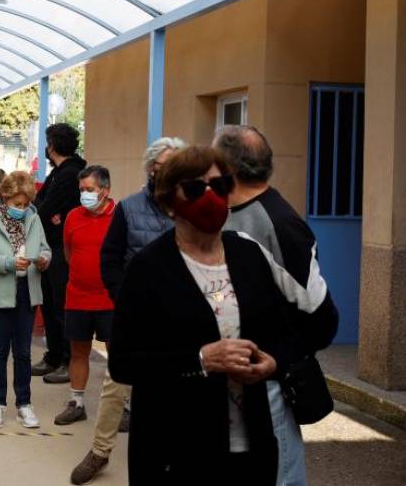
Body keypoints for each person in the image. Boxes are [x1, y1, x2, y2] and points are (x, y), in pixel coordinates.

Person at [109, 146, 333, 484]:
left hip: (251, 447)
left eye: (220, 186)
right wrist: (201, 359)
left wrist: (274, 362)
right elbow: (124, 362)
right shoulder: (148, 269)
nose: (211, 197)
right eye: (197, 189)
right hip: (177, 450)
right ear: (170, 202)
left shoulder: (249, 255)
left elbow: (289, 332)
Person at [214, 125, 340, 486]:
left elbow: (323, 317)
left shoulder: (277, 224)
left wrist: (276, 360)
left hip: (268, 390)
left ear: (227, 168)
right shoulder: (226, 214)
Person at [70, 137, 185, 485]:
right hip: (135, 313)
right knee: (115, 383)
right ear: (153, 169)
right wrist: (126, 299)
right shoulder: (129, 208)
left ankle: (178, 456)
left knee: (180, 387)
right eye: (169, 165)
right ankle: (100, 452)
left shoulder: (191, 205)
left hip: (181, 317)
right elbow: (110, 258)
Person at [0, 171, 51, 429]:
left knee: (24, 352)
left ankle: (24, 404)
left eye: (26, 203)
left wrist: (44, 259)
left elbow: (46, 248)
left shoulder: (34, 218)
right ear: (5, 197)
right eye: (17, 204)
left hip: (27, 290)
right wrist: (7, 263)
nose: (23, 208)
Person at [54, 165, 115, 426]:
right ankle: (76, 403)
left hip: (110, 300)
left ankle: (121, 406)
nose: (85, 195)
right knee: (79, 351)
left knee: (118, 354)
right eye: (82, 190)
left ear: (105, 190)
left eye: (89, 190)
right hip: (77, 297)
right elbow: (69, 253)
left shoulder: (120, 216)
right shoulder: (73, 217)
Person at [32, 123, 86, 384]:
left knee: (61, 306)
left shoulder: (70, 173)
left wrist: (50, 212)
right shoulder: (60, 172)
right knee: (50, 303)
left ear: (52, 145)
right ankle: (53, 355)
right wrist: (47, 211)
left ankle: (65, 359)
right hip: (49, 244)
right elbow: (39, 204)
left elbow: (43, 208)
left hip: (61, 248)